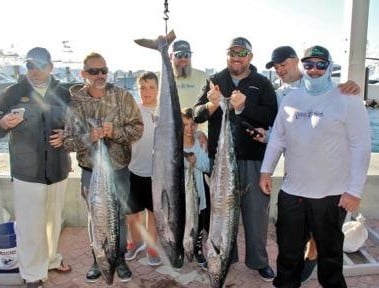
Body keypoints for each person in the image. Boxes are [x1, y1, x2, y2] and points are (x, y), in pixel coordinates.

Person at [259, 45, 371, 287]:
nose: (315, 70)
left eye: (321, 65)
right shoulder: (291, 98)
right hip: (292, 193)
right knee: (288, 256)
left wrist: (355, 190)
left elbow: (361, 146)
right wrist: (266, 171)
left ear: (329, 67)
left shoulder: (348, 98)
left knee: (330, 260)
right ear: (302, 66)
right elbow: (278, 137)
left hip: (331, 195)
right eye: (309, 64)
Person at [193, 37, 278, 281]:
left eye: (242, 54)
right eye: (232, 54)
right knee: (220, 214)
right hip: (219, 161)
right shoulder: (215, 81)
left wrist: (242, 108)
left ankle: (259, 261)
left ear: (250, 57)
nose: (236, 58)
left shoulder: (262, 83)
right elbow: (197, 115)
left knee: (255, 215)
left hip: (252, 159)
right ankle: (224, 258)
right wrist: (211, 104)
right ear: (227, 56)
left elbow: (271, 117)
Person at [63, 52, 143, 283]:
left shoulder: (122, 97)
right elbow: (68, 141)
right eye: (94, 71)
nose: (100, 75)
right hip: (91, 171)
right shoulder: (75, 103)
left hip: (119, 169)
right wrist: (90, 136)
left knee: (118, 216)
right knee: (95, 217)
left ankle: (119, 259)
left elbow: (137, 129)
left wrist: (114, 132)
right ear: (83, 73)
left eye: (104, 70)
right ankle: (98, 258)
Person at [0, 47, 72, 288]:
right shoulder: (12, 92)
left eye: (40, 65)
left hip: (58, 170)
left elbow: (77, 126)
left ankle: (51, 260)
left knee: (53, 221)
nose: (35, 71)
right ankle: (32, 275)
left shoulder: (64, 92)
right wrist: (3, 123)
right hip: (27, 172)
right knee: (30, 227)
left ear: (50, 67)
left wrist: (66, 134)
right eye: (30, 65)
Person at [124, 71, 162, 266]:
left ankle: (151, 247)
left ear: (158, 89)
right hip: (133, 171)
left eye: (151, 87)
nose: (147, 91)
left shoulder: (164, 112)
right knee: (132, 215)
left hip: (157, 175)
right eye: (143, 87)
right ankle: (134, 243)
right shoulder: (132, 112)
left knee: (153, 215)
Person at [182, 107, 210, 269]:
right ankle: (180, 248)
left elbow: (206, 165)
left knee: (198, 223)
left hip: (198, 192)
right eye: (185, 124)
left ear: (197, 126)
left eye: (192, 124)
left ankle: (198, 249)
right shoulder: (174, 144)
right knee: (181, 221)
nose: (189, 128)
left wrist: (195, 163)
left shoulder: (201, 144)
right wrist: (187, 162)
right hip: (181, 194)